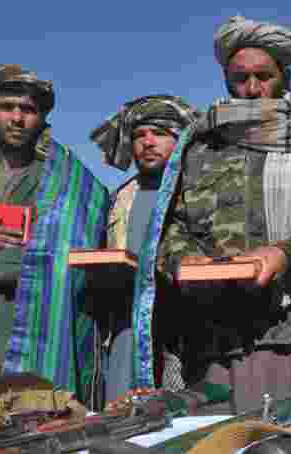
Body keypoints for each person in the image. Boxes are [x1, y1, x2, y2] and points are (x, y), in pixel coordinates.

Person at [140, 16, 291, 412]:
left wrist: (286, 253)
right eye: (239, 78)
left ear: (285, 76)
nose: (251, 89)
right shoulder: (200, 143)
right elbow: (171, 226)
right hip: (210, 340)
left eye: (263, 76)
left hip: (290, 335)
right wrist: (184, 262)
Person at [0, 65, 108, 398]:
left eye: (28, 109)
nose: (17, 118)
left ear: (43, 115)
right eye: (6, 107)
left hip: (32, 330)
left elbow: (68, 255)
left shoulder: (70, 182)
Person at [89, 95, 198, 405]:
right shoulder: (119, 198)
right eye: (139, 135)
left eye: (160, 133)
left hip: (180, 331)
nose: (148, 142)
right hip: (125, 330)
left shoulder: (197, 191)